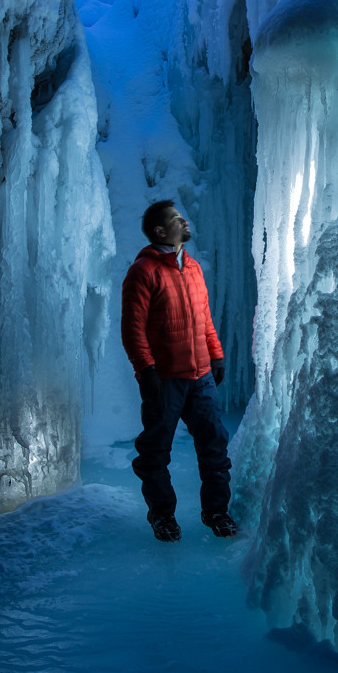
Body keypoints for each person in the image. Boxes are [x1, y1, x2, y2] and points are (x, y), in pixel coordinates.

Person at [121, 200, 238, 542]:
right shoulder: (144, 271)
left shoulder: (193, 269)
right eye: (176, 219)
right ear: (161, 232)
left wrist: (215, 356)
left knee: (215, 446)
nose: (183, 221)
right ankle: (163, 517)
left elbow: (204, 319)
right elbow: (133, 328)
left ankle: (216, 511)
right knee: (155, 452)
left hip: (200, 377)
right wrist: (146, 370)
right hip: (166, 380)